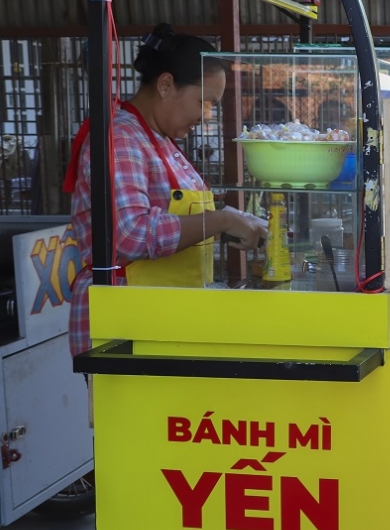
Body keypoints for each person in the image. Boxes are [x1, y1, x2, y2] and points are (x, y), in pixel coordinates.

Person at [65, 23, 268, 358]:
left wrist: (240, 221)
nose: (207, 116)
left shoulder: (161, 140)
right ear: (165, 84)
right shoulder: (122, 139)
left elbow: (182, 216)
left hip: (159, 316)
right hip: (121, 325)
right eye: (204, 102)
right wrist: (219, 221)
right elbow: (130, 234)